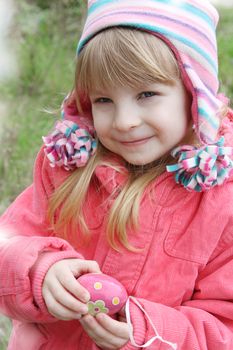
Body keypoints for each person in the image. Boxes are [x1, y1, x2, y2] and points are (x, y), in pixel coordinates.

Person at [1, 0, 233, 349]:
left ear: (193, 94)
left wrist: (151, 332)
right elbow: (9, 242)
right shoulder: (68, 168)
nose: (124, 121)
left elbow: (224, 324)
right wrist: (39, 271)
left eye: (147, 94)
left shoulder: (221, 199)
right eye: (104, 100)